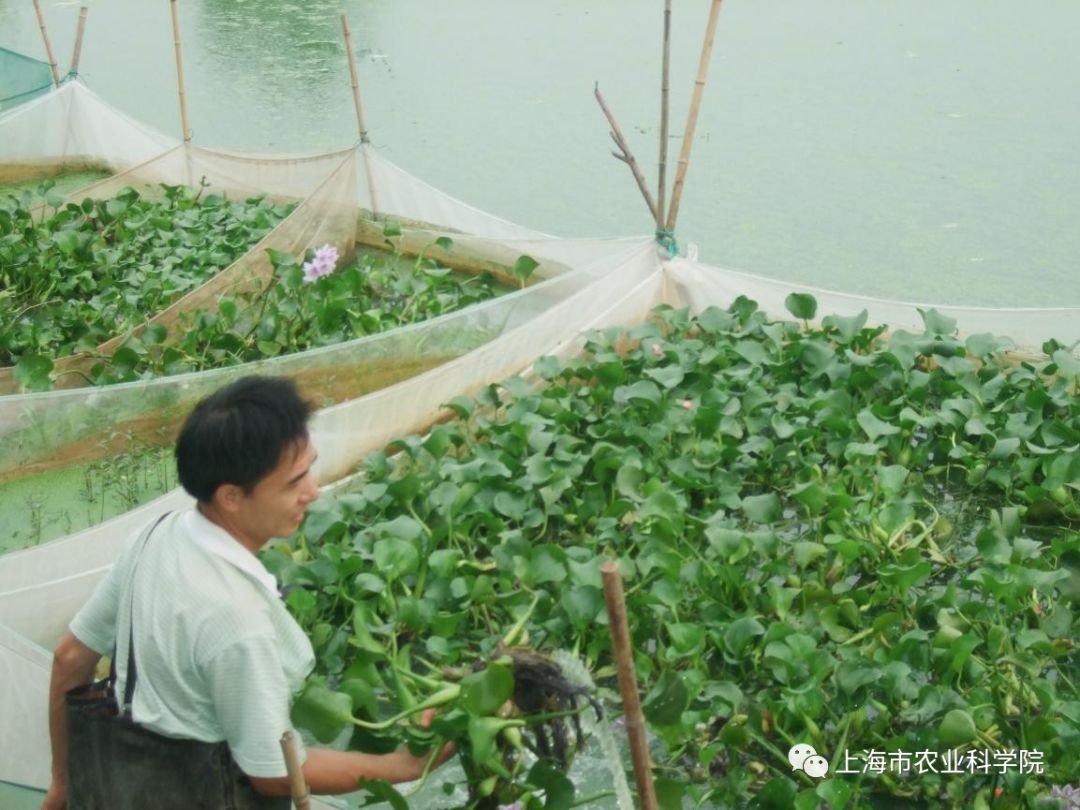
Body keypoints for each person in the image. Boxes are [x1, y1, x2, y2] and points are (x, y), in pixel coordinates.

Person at [43, 375, 449, 809]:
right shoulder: (238, 620)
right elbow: (274, 773)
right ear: (231, 497)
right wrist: (401, 766)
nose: (312, 493)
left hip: (119, 787)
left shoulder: (154, 535)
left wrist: (63, 786)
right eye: (294, 483)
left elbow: (70, 658)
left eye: (310, 468)